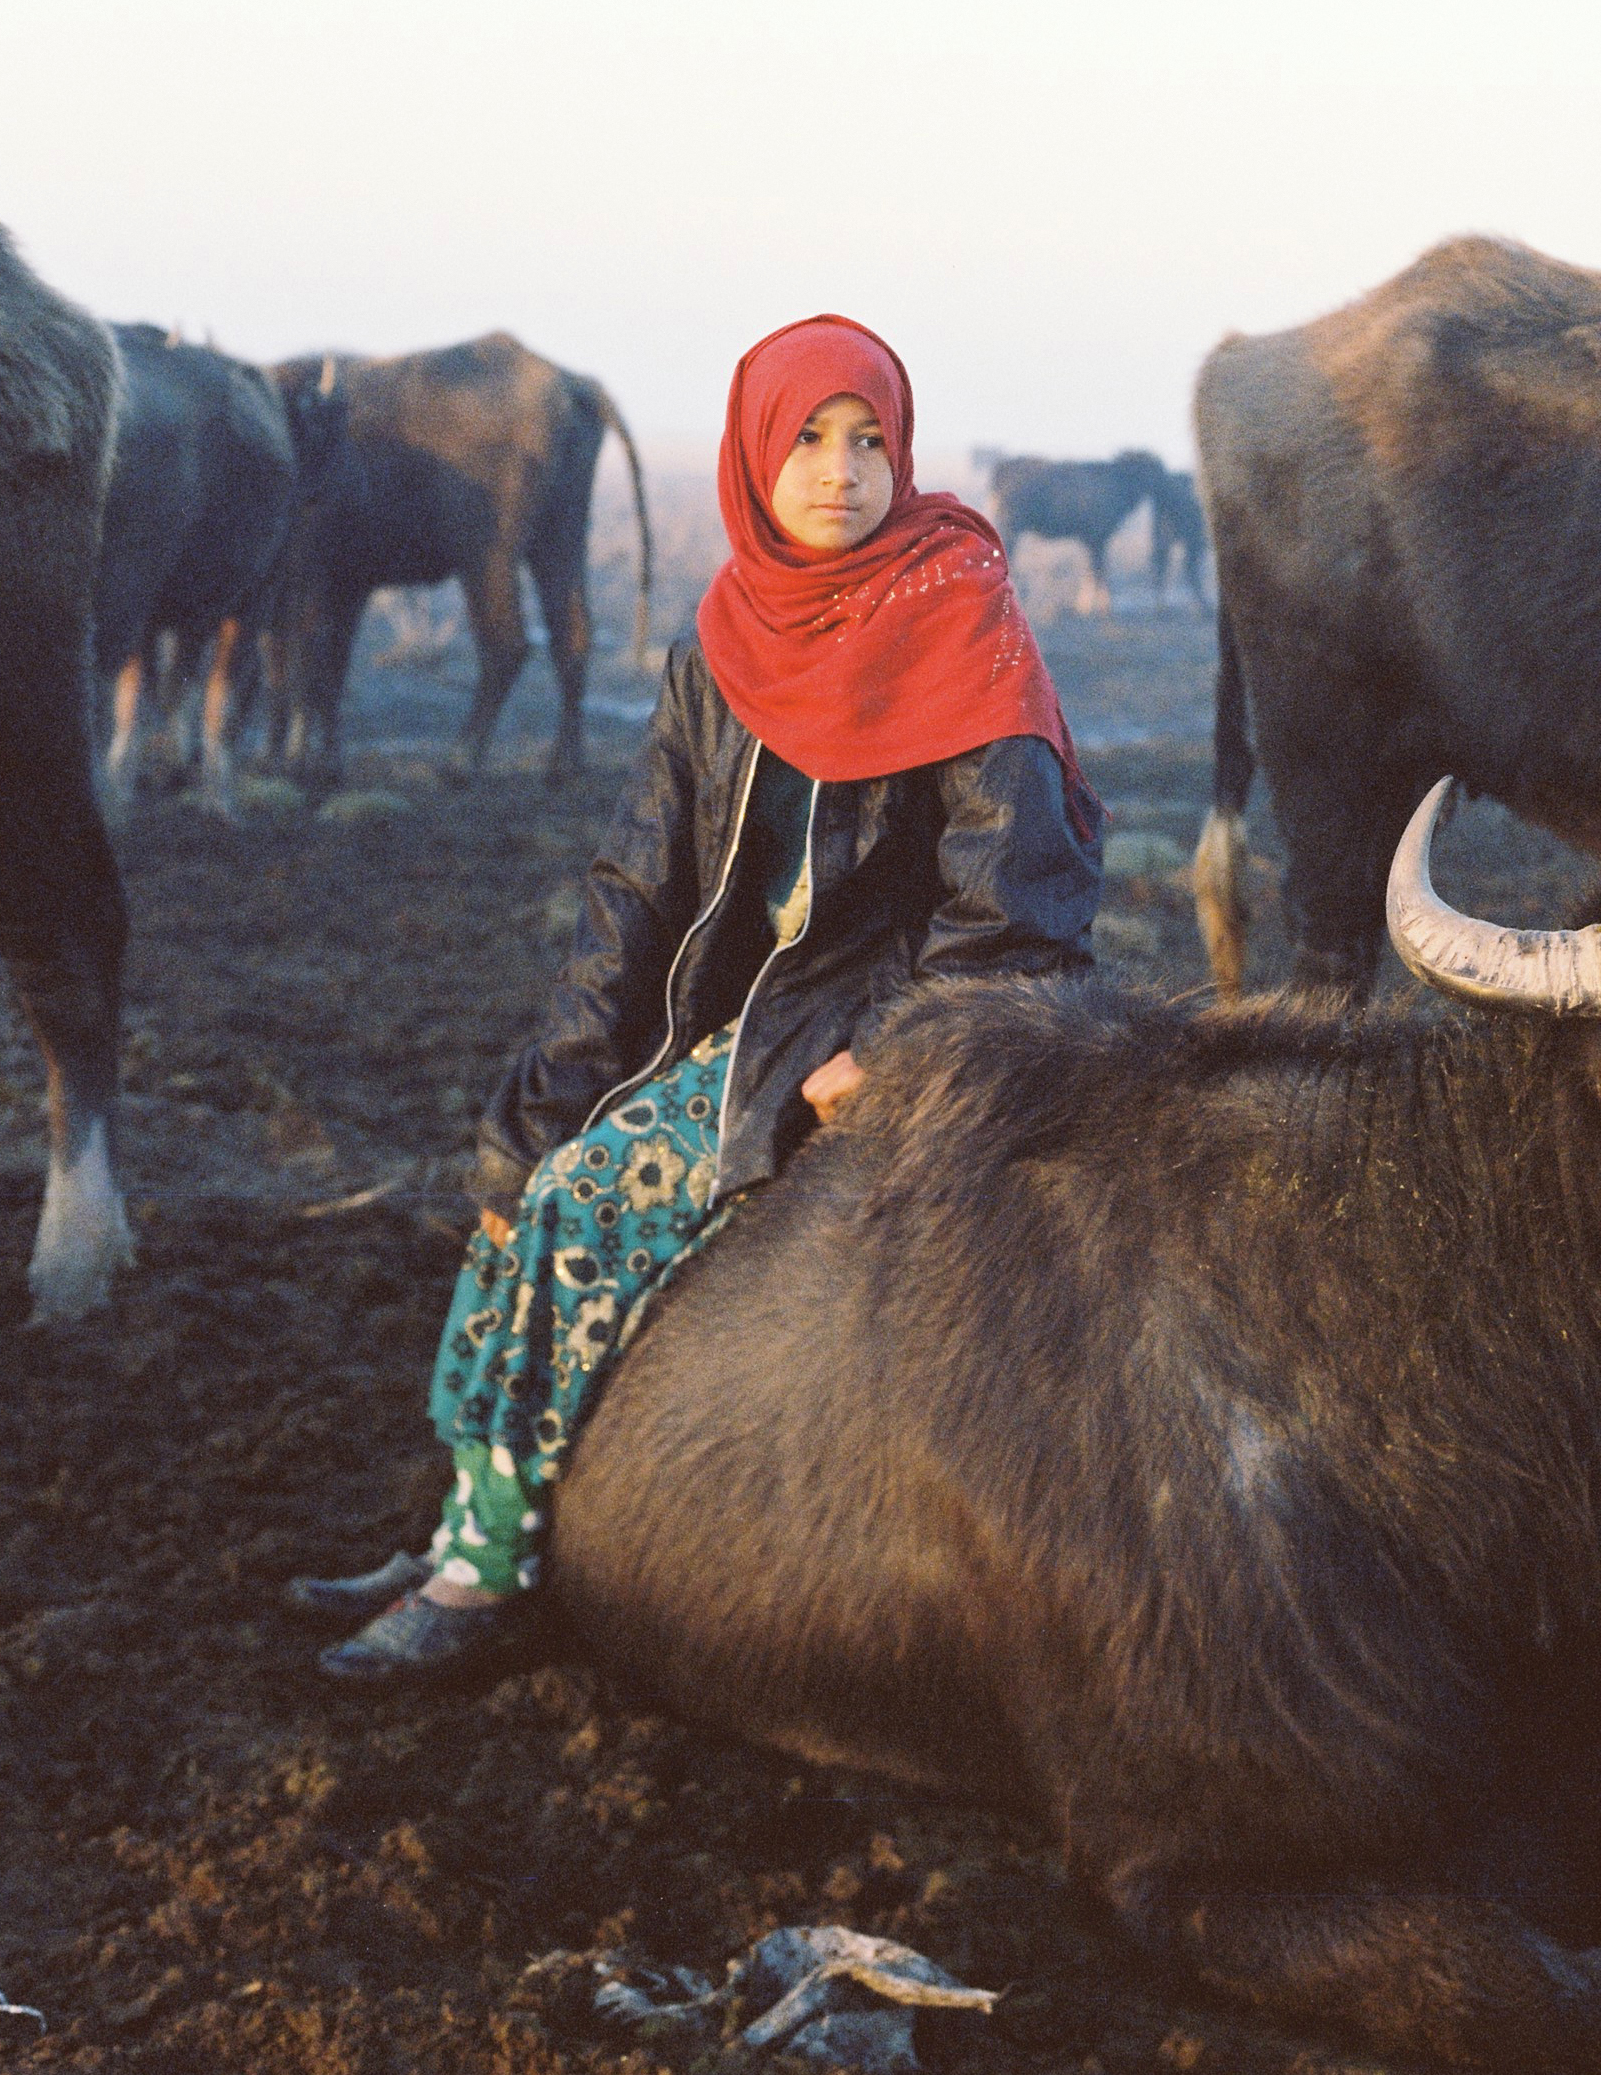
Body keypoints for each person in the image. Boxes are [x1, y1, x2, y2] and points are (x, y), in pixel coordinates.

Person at [300, 313, 1103, 1684]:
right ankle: (469, 1510)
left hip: (852, 1026)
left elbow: (1016, 901)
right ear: (751, 452)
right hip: (724, 1021)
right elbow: (637, 884)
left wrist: (893, 1051)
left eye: (866, 440)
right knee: (514, 1174)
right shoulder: (730, 635)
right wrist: (555, 1074)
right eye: (805, 438)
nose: (838, 471)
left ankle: (488, 1579)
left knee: (581, 1200)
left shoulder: (958, 618)